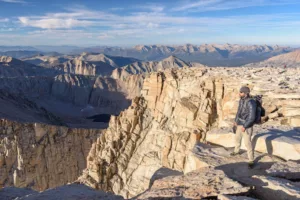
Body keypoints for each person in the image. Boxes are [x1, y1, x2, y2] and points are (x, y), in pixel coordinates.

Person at [231, 86, 257, 169]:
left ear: (246, 93)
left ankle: (251, 160)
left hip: (247, 125)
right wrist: (235, 120)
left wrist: (245, 126)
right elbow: (239, 111)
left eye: (241, 92)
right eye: (240, 92)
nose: (239, 93)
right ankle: (236, 151)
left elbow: (252, 117)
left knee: (247, 143)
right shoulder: (241, 100)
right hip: (239, 123)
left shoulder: (251, 102)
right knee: (237, 138)